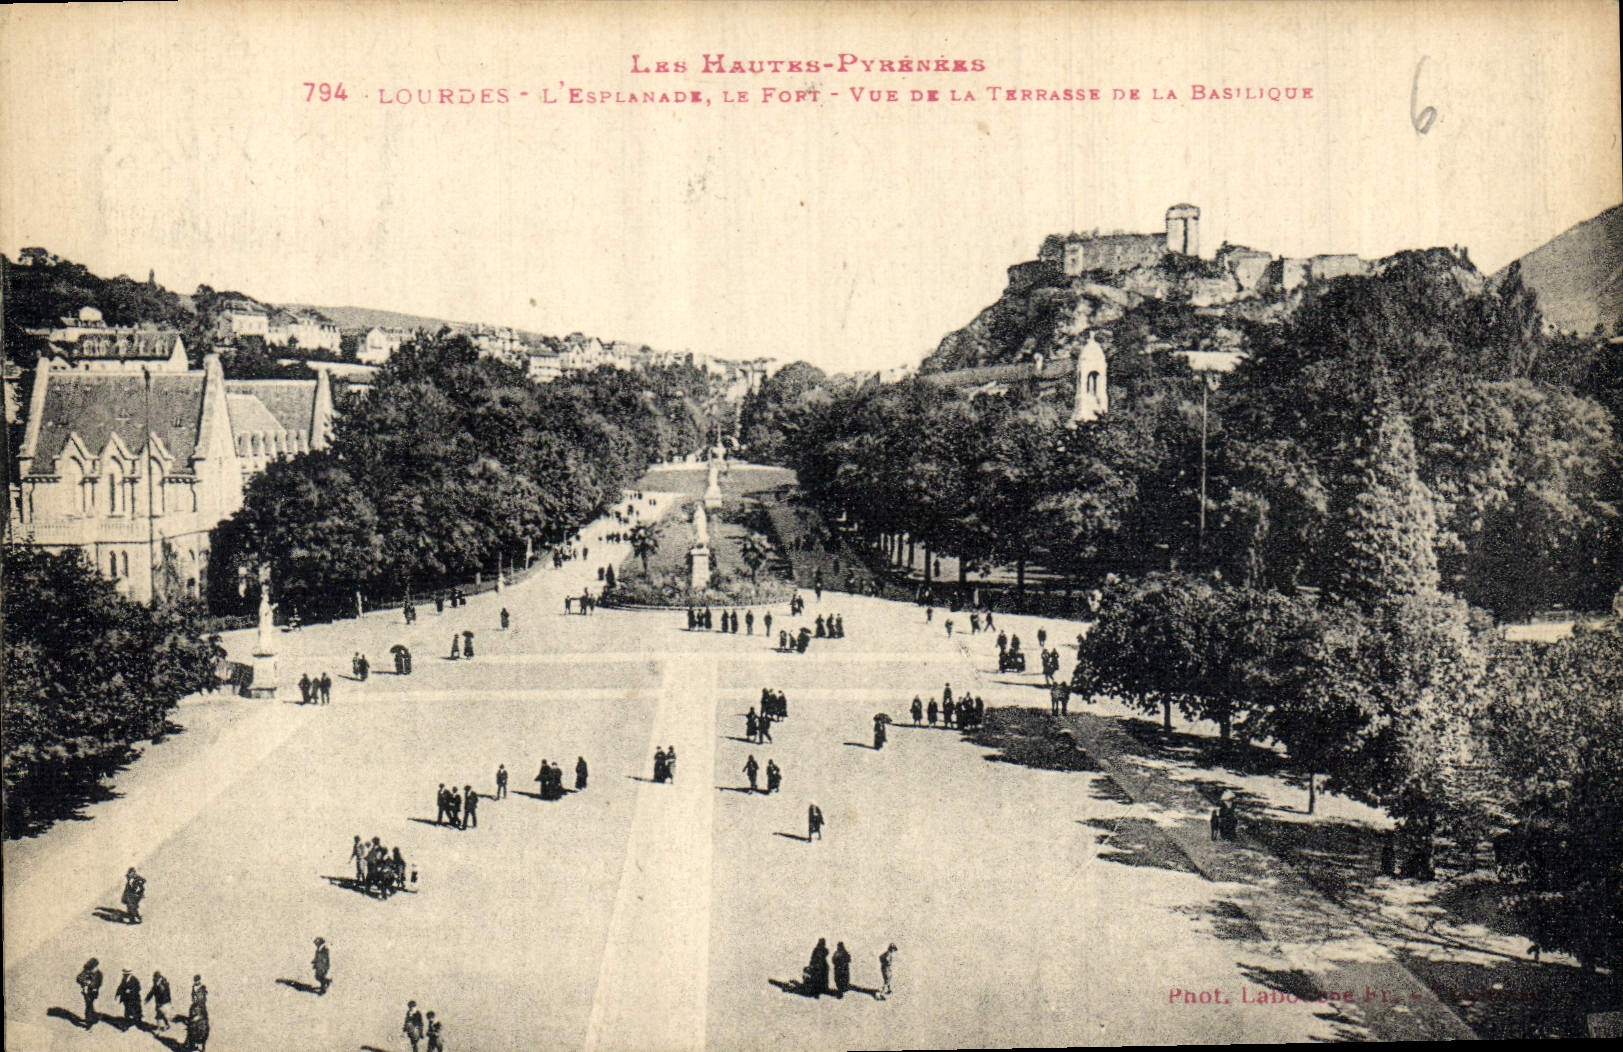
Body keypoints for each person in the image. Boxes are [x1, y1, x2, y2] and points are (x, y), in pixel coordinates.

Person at [77, 958, 103, 1029]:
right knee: (89, 1005)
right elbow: (78, 978)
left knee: (89, 1005)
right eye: (94, 967)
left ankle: (89, 1020)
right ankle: (90, 1019)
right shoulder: (86, 971)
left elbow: (98, 983)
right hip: (86, 992)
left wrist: (90, 984)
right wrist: (85, 982)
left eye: (96, 967)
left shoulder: (98, 974)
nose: (95, 968)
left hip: (93, 992)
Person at [185, 976, 208, 1050]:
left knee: (201, 1027)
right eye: (195, 981)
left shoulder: (202, 989)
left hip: (201, 1010)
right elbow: (193, 997)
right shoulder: (194, 987)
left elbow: (202, 1000)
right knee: (190, 1026)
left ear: (199, 980)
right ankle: (189, 1042)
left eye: (197, 981)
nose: (196, 982)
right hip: (194, 1009)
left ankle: (202, 1046)